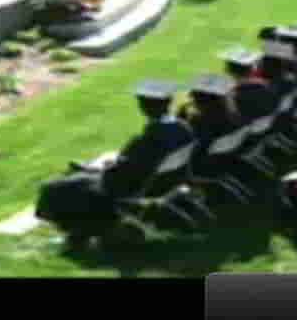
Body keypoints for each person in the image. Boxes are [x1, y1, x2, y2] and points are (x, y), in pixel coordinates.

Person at [34, 81, 195, 248]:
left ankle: (79, 235)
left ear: (143, 106)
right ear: (168, 103)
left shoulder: (148, 141)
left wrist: (97, 170)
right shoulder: (183, 128)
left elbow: (117, 178)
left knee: (53, 188)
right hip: (165, 183)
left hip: (131, 188)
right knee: (80, 179)